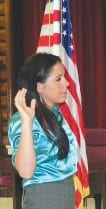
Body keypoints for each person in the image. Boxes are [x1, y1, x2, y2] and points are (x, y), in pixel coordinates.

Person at [8, 53, 78, 209]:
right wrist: (27, 123)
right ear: (39, 86)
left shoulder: (54, 113)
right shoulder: (22, 120)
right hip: (43, 198)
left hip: (65, 192)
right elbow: (26, 171)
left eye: (64, 77)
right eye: (58, 79)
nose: (66, 83)